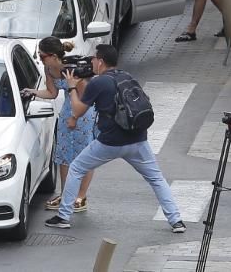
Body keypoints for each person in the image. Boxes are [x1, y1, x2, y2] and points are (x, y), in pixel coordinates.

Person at [44, 44, 186, 233]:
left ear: (101, 61)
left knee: (76, 168)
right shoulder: (127, 77)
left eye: (94, 59)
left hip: (110, 142)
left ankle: (63, 216)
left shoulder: (98, 83)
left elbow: (77, 111)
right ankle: (176, 221)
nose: (91, 62)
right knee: (157, 178)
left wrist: (72, 87)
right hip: (138, 139)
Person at [21, 38, 97, 213]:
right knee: (64, 155)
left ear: (54, 56)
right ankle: (66, 194)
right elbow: (52, 93)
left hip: (83, 113)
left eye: (42, 55)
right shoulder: (49, 69)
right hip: (66, 114)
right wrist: (32, 91)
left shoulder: (72, 68)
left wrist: (75, 116)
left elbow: (86, 98)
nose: (40, 59)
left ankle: (81, 196)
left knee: (83, 154)